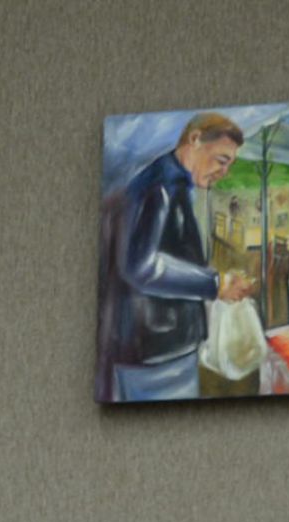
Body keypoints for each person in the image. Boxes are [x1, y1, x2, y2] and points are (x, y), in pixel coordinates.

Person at [101, 112, 254, 403]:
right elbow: (142, 268)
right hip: (157, 353)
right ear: (195, 140)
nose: (224, 172)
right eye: (222, 160)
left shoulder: (171, 185)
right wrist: (216, 284)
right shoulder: (158, 187)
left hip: (159, 349)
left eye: (229, 164)